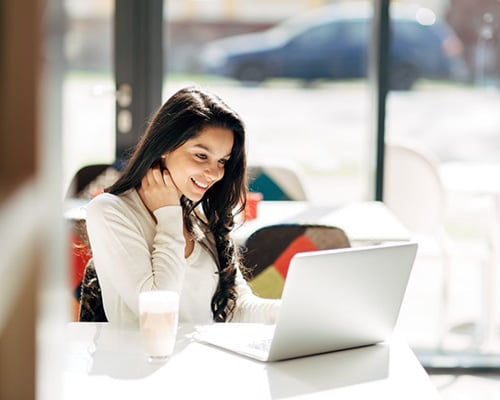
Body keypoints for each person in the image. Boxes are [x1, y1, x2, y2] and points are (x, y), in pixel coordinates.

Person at [86, 86, 280, 324]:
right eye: (201, 156)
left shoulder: (202, 215)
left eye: (222, 161)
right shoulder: (110, 211)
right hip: (142, 360)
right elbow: (156, 313)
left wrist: (293, 310)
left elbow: (238, 308)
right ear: (166, 147)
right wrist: (168, 216)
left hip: (204, 357)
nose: (214, 173)